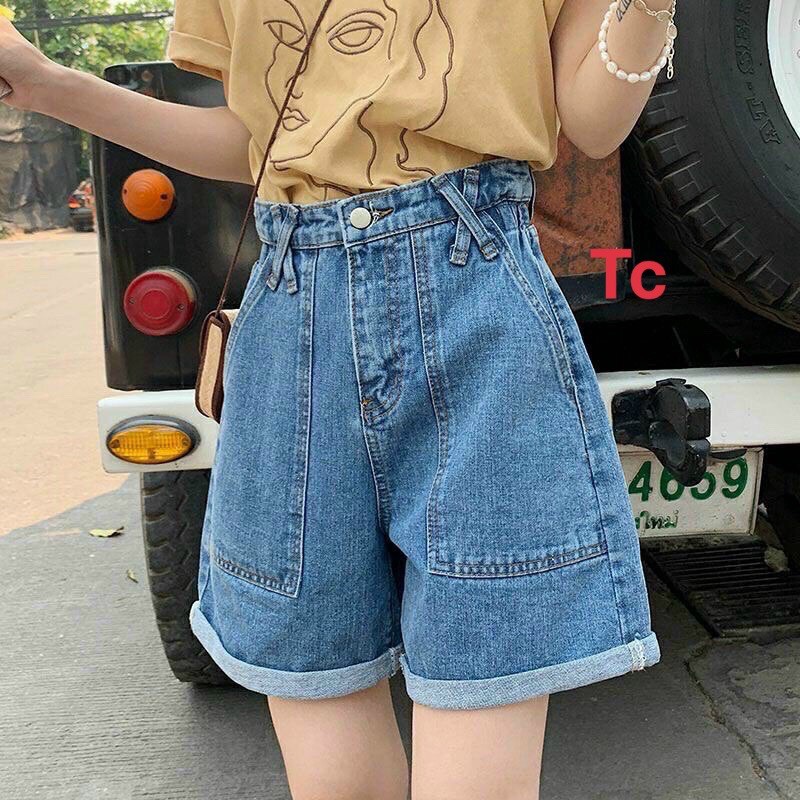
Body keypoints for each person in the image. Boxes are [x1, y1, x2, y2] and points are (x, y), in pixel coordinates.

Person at [0, 1, 674, 796]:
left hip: (477, 293)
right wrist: (44, 85)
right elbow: (255, 141)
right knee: (331, 764)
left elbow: (593, 123)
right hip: (295, 301)